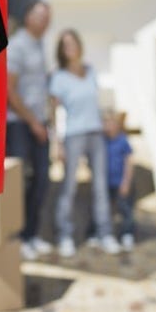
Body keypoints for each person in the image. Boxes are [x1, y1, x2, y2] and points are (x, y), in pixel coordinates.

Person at [49, 29, 120, 257]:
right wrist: (57, 142)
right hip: (73, 136)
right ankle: (64, 235)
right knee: (69, 186)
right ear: (61, 50)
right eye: (65, 44)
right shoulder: (59, 77)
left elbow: (99, 103)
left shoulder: (91, 72)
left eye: (72, 43)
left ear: (79, 46)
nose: (70, 48)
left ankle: (104, 234)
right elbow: (53, 112)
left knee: (100, 186)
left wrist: (109, 121)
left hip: (96, 133)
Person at [6, 1, 53, 260]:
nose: (44, 21)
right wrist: (33, 122)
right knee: (22, 181)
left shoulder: (40, 46)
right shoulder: (18, 45)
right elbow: (9, 91)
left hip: (39, 123)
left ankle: (33, 234)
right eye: (39, 15)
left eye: (47, 17)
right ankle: (19, 237)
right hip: (19, 124)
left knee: (43, 180)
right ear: (28, 17)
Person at [87, 110, 135, 251]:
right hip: (104, 183)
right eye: (105, 123)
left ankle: (127, 234)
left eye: (110, 123)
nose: (107, 126)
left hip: (120, 182)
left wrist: (126, 182)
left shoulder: (123, 141)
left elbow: (129, 162)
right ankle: (94, 233)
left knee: (125, 209)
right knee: (100, 208)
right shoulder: (101, 141)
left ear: (117, 125)